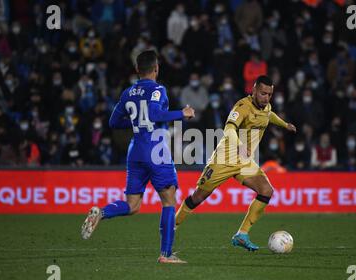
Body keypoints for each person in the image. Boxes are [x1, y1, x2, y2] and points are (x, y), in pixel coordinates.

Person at [80, 50, 195, 264]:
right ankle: (166, 255)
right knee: (169, 200)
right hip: (156, 150)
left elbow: (114, 122)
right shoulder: (159, 90)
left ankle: (102, 213)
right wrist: (183, 113)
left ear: (137, 70)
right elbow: (155, 115)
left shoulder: (128, 92)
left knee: (133, 205)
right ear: (156, 68)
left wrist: (135, 123)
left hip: (135, 150)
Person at [175, 75, 296, 251]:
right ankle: (173, 225)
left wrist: (285, 125)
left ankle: (242, 234)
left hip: (245, 161)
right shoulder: (242, 107)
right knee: (199, 196)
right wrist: (239, 146)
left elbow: (269, 115)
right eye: (263, 93)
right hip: (224, 159)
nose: (266, 98)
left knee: (266, 191)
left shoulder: (266, 106)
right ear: (254, 90)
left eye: (269, 94)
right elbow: (229, 128)